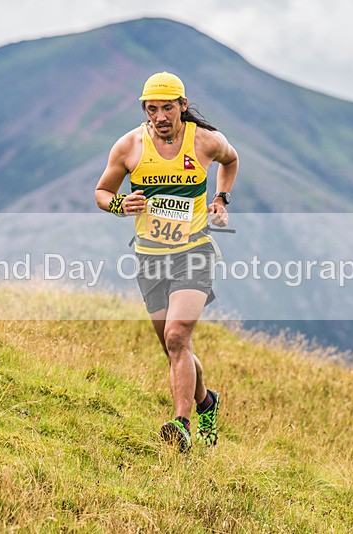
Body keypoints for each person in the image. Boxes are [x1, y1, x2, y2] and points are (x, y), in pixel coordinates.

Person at [94, 71, 238, 451]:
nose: (160, 116)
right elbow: (102, 193)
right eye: (152, 108)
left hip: (194, 251)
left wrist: (221, 199)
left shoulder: (205, 141)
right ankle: (207, 401)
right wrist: (122, 206)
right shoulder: (129, 147)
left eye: (168, 108)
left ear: (182, 106)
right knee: (175, 348)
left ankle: (182, 425)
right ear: (145, 109)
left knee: (178, 335)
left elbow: (231, 160)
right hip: (150, 257)